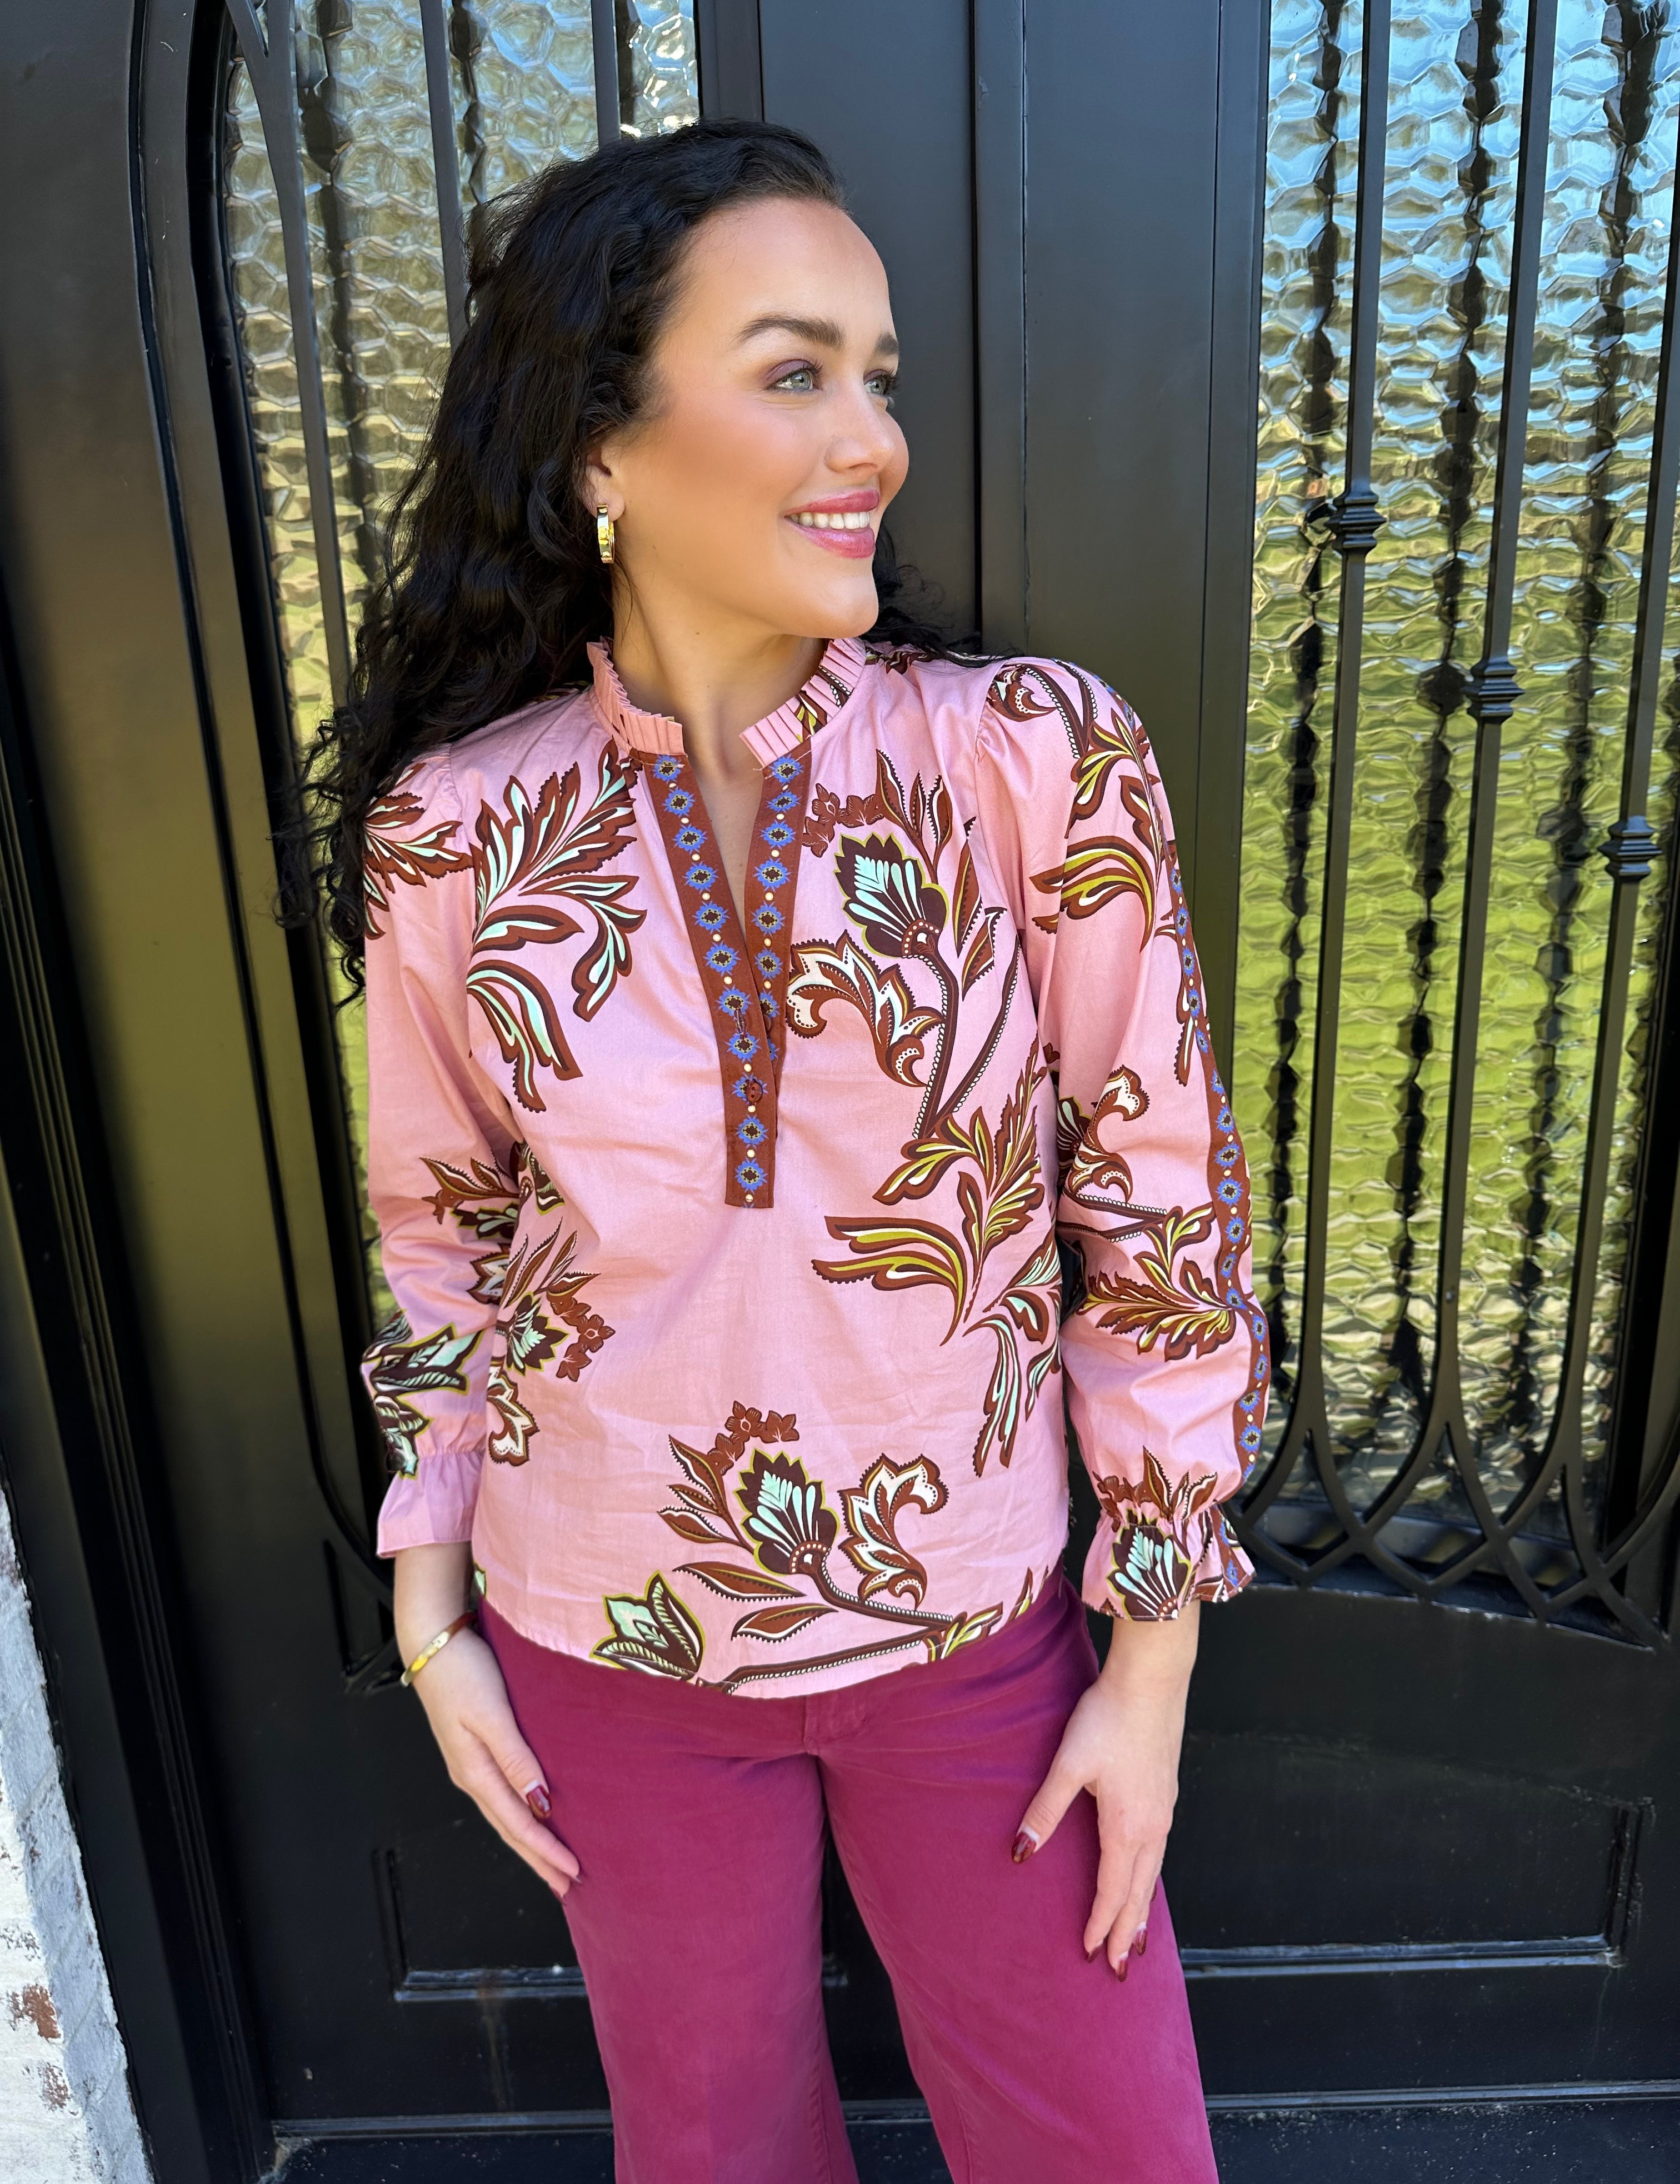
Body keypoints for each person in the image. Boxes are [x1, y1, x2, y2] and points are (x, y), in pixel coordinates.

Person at [300, 116, 1267, 2183]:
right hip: (603, 1646)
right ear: (601, 449)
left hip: (979, 1637)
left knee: (1108, 2150)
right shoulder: (454, 834)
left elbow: (1162, 1204)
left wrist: (1155, 1657)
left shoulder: (1029, 759)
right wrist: (434, 1606)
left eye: (879, 375)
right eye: (795, 370)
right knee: (713, 2151)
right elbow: (439, 1234)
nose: (872, 438)